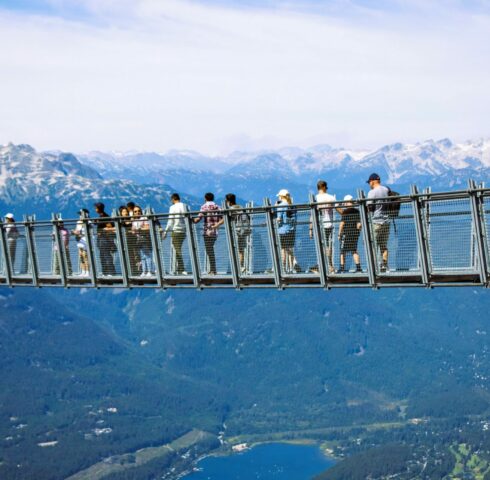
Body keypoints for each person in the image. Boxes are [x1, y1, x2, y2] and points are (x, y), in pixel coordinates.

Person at [214, 193, 251, 273]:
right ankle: (241, 267)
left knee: (234, 249)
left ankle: (236, 268)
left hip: (236, 231)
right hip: (243, 230)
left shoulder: (231, 209)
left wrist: (216, 225)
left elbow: (225, 219)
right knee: (241, 249)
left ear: (227, 201)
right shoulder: (241, 207)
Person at [310, 180, 336, 273]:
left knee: (322, 245)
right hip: (330, 224)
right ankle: (329, 265)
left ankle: (324, 265)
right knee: (328, 245)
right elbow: (337, 208)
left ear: (318, 188)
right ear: (325, 187)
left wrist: (311, 228)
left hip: (319, 225)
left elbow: (312, 215)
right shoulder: (331, 197)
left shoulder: (315, 199)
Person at [366, 173, 390, 272]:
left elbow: (368, 207)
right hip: (386, 221)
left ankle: (373, 267)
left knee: (372, 245)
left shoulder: (372, 192)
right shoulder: (386, 190)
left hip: (376, 221)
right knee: (383, 246)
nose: (369, 184)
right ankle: (384, 266)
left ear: (372, 181)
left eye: (369, 182)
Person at [194, 193, 221, 275]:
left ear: (205, 198)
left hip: (207, 231)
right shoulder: (217, 206)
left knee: (209, 251)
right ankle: (213, 269)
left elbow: (198, 219)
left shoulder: (204, 206)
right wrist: (216, 225)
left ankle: (213, 270)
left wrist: (191, 220)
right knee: (210, 250)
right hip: (215, 231)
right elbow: (223, 218)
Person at [276, 189, 300, 273]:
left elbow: (279, 219)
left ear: (281, 196)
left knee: (283, 249)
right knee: (290, 248)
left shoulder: (281, 205)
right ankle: (292, 266)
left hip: (282, 230)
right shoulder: (292, 205)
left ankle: (282, 268)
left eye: (279, 196)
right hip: (292, 230)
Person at [162, 193, 187, 275]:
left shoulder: (172, 207)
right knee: (178, 248)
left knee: (177, 249)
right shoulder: (185, 206)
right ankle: (178, 268)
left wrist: (165, 231)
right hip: (184, 231)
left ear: (173, 199)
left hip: (175, 231)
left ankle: (182, 269)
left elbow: (170, 221)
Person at [336, 195, 362, 273]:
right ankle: (358, 268)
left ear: (347, 202)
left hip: (346, 233)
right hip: (355, 234)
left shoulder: (345, 212)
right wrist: (358, 232)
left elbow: (342, 224)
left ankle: (342, 268)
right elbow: (359, 225)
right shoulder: (357, 211)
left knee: (342, 251)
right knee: (354, 250)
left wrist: (339, 234)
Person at [131, 206, 155, 277]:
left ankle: (150, 271)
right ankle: (144, 271)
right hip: (139, 240)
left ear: (141, 211)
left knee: (147, 255)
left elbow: (148, 227)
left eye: (138, 211)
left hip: (145, 239)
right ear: (133, 213)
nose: (137, 212)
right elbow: (133, 231)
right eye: (135, 211)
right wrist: (134, 230)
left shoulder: (144, 218)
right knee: (142, 256)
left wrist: (139, 228)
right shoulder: (134, 221)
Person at [94, 202, 116, 276]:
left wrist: (103, 230)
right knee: (102, 256)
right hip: (101, 238)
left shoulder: (104, 216)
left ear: (98, 208)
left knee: (106, 256)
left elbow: (110, 226)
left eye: (96, 208)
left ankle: (111, 272)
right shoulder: (102, 216)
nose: (95, 209)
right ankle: (105, 272)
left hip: (104, 238)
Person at [71, 209, 90, 276]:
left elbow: (87, 231)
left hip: (85, 241)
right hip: (79, 241)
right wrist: (74, 232)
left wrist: (78, 232)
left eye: (81, 214)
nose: (80, 216)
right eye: (80, 214)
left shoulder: (88, 222)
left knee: (85, 256)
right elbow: (77, 230)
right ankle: (83, 271)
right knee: (81, 256)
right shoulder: (78, 222)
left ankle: (88, 272)